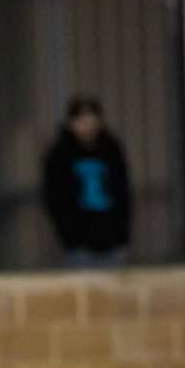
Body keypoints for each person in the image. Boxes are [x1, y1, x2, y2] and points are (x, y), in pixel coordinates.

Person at [42, 95, 131, 268]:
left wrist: (121, 236)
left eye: (92, 120)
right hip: (78, 244)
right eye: (82, 120)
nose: (88, 126)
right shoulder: (59, 154)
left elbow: (122, 193)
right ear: (71, 123)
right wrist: (69, 235)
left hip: (110, 240)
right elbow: (55, 197)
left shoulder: (111, 150)